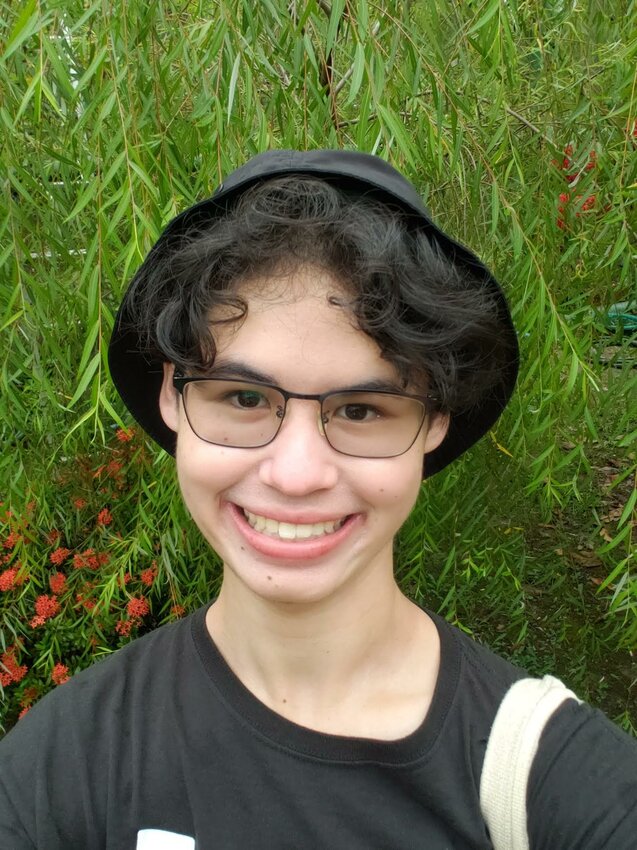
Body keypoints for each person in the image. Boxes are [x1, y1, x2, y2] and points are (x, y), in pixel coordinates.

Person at [0, 149, 635, 849]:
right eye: (243, 397)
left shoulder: (555, 784)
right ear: (171, 398)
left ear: (433, 423)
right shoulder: (60, 768)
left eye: (362, 409)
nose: (297, 474)